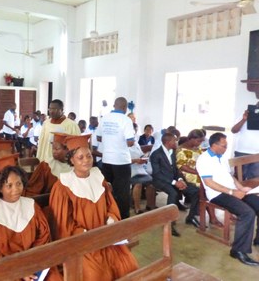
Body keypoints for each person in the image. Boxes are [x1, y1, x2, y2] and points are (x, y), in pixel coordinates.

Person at [49, 134, 138, 279]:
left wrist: (110, 219)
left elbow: (111, 206)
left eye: (89, 156)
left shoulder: (99, 178)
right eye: (80, 157)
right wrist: (85, 235)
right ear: (71, 160)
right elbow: (63, 225)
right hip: (81, 244)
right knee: (97, 275)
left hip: (107, 238)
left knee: (128, 266)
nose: (86, 161)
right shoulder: (63, 186)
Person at [196, 132, 259, 266]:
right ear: (214, 145)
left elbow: (231, 177)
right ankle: (238, 250)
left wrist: (241, 188)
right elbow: (209, 183)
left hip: (232, 191)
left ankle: (258, 239)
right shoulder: (204, 159)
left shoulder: (222, 157)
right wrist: (231, 191)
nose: (226, 148)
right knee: (247, 213)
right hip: (218, 194)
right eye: (224, 146)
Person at [150, 133, 200, 237]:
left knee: (195, 191)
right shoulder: (156, 154)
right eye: (175, 140)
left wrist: (180, 180)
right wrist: (174, 182)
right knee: (173, 193)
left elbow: (176, 169)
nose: (177, 142)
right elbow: (157, 174)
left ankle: (190, 217)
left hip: (174, 179)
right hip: (160, 180)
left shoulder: (172, 152)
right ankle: (169, 223)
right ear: (168, 142)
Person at [96, 97, 134, 219]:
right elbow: (130, 142)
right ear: (125, 107)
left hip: (106, 160)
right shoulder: (126, 120)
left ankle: (107, 213)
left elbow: (99, 138)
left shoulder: (104, 118)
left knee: (107, 189)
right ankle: (122, 217)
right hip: (121, 161)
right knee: (122, 192)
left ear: (114, 105)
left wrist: (110, 140)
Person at [176, 129, 222, 226]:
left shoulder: (197, 148)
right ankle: (196, 217)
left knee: (211, 187)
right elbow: (181, 166)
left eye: (201, 141)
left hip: (200, 174)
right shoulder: (181, 150)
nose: (200, 143)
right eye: (198, 141)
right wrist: (197, 172)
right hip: (188, 176)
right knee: (204, 190)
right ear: (191, 138)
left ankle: (211, 217)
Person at [231, 109, 259, 180]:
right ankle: (239, 191)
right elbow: (233, 130)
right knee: (239, 179)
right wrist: (244, 119)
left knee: (255, 180)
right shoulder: (245, 115)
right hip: (241, 152)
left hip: (257, 154)